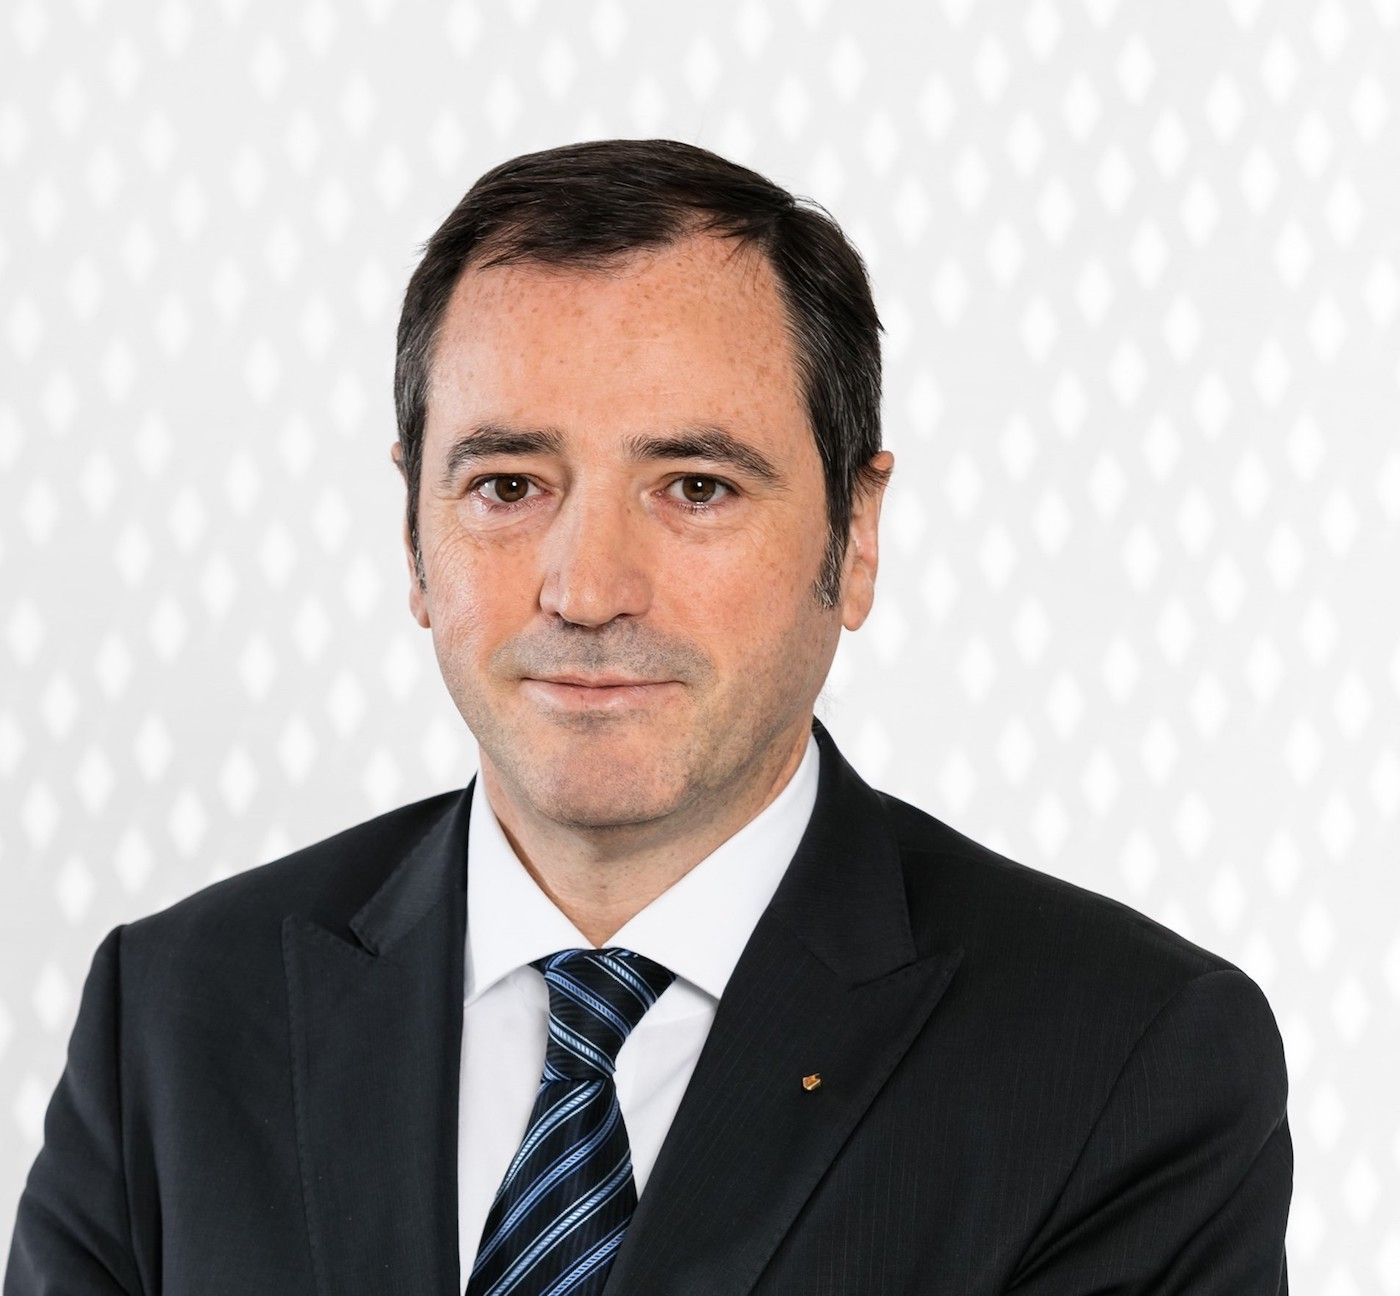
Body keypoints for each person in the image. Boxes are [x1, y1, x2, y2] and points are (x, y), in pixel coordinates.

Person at [4, 139, 1291, 1296]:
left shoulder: (1124, 1062)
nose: (586, 589)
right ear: (412, 535)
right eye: (508, 485)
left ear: (853, 537)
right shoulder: (173, 1018)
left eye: (694, 486)